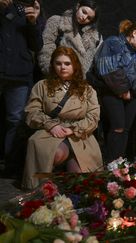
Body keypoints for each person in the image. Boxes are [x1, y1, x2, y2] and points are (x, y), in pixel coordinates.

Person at [22, 47, 103, 189]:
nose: (62, 67)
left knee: (80, 185)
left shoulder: (87, 89)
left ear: (75, 65)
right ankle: (44, 184)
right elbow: (32, 112)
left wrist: (73, 129)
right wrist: (50, 125)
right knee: (55, 154)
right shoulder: (42, 86)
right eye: (58, 63)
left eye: (67, 63)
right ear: (53, 65)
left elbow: (93, 116)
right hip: (51, 131)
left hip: (79, 134)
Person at [94, 19, 136, 162]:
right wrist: (123, 91)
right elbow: (109, 68)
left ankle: (120, 161)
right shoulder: (113, 43)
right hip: (112, 94)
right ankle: (111, 163)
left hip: (131, 95)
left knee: (126, 130)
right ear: (134, 33)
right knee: (117, 127)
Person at [0, 0, 43, 178]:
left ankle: (10, 166)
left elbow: (37, 45)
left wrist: (33, 23)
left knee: (16, 120)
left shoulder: (25, 9)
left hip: (19, 74)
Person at [38, 0, 102, 76]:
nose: (84, 17)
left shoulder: (96, 37)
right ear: (78, 6)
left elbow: (95, 62)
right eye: (84, 12)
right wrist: (51, 71)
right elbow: (46, 46)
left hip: (80, 82)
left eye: (89, 18)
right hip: (57, 77)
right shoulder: (57, 22)